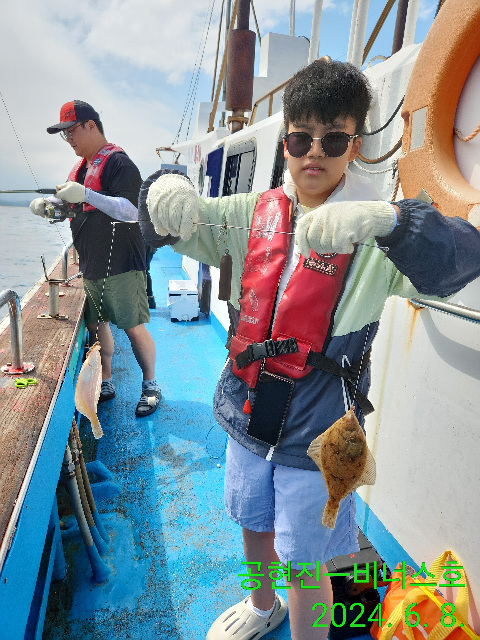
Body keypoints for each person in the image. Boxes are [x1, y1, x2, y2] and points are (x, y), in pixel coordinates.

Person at [146, 59, 480, 640]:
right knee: (251, 521)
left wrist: (393, 223)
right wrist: (163, 190)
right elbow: (184, 223)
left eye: (334, 139)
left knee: (308, 561)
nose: (314, 153)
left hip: (324, 429)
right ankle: (261, 604)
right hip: (247, 408)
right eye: (301, 138)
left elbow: (462, 257)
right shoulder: (251, 212)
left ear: (356, 146)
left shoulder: (377, 230)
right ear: (286, 143)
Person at [29, 100, 160, 418]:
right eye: (64, 135)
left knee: (133, 326)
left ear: (91, 125)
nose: (69, 139)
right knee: (98, 326)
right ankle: (107, 381)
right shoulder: (81, 169)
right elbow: (73, 209)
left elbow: (132, 211)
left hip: (122, 265)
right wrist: (50, 207)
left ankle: (151, 385)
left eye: (71, 131)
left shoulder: (119, 164)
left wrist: (86, 194)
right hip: (91, 265)